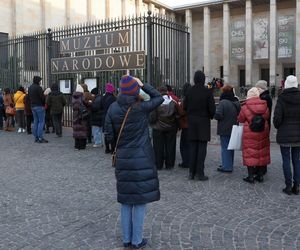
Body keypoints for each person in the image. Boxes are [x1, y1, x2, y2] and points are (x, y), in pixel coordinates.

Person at [104, 75, 163, 249]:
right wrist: (142, 83)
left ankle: (126, 238)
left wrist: (118, 144)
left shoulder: (113, 108)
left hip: (123, 159)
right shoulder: (140, 107)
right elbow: (158, 98)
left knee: (126, 201)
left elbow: (108, 134)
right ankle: (136, 240)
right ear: (135, 90)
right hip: (142, 159)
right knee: (139, 202)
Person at [184, 70, 216, 180]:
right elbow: (212, 109)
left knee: (193, 148)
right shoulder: (207, 92)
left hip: (192, 122)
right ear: (203, 79)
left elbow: (184, 107)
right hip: (203, 122)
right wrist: (209, 116)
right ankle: (199, 173)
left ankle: (191, 172)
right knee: (202, 149)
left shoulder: (189, 91)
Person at [273, 75, 300, 195]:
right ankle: (297, 186)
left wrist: (279, 126)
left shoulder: (282, 98)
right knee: (297, 160)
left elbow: (277, 119)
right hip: (298, 134)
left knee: (286, 160)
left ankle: (288, 186)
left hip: (284, 133)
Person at [238, 87, 270, 183]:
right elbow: (267, 116)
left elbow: (240, 119)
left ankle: (251, 176)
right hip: (263, 131)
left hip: (250, 132)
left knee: (250, 153)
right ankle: (260, 176)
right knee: (261, 152)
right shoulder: (265, 105)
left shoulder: (245, 106)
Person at [150, 86, 179, 170]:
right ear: (166, 92)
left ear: (159, 92)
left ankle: (158, 164)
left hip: (158, 128)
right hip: (170, 128)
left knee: (158, 147)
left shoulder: (156, 103)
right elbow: (177, 115)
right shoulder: (173, 102)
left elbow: (152, 117)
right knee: (170, 146)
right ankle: (169, 164)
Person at [214, 85, 240, 173]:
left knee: (225, 147)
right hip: (234, 128)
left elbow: (218, 115)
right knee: (231, 147)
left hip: (224, 127)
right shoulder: (236, 102)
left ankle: (227, 166)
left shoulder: (223, 102)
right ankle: (229, 164)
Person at [255, 80, 272, 176]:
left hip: (262, 124)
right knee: (263, 147)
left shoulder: (264, 97)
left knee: (261, 147)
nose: (256, 89)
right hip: (266, 124)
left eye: (258, 88)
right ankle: (262, 168)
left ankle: (261, 168)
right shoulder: (266, 96)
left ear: (261, 88)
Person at [28, 76, 48, 143]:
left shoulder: (30, 87)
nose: (40, 82)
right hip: (39, 106)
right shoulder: (38, 88)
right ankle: (40, 137)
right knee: (41, 122)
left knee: (35, 122)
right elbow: (42, 97)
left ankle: (36, 137)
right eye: (40, 80)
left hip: (33, 106)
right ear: (37, 81)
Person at [178, 83, 191, 169]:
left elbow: (182, 112)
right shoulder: (194, 98)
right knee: (190, 145)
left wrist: (177, 107)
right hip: (192, 124)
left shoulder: (185, 99)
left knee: (184, 145)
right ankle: (190, 160)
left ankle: (186, 162)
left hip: (186, 124)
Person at [72, 84, 88, 150]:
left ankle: (76, 146)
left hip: (75, 115)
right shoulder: (82, 96)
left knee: (76, 129)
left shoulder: (73, 96)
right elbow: (86, 103)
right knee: (82, 130)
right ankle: (82, 146)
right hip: (82, 115)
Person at [102, 83, 116, 153]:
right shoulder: (113, 98)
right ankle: (113, 149)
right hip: (112, 117)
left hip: (105, 117)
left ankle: (107, 149)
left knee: (106, 133)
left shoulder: (103, 97)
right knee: (112, 132)